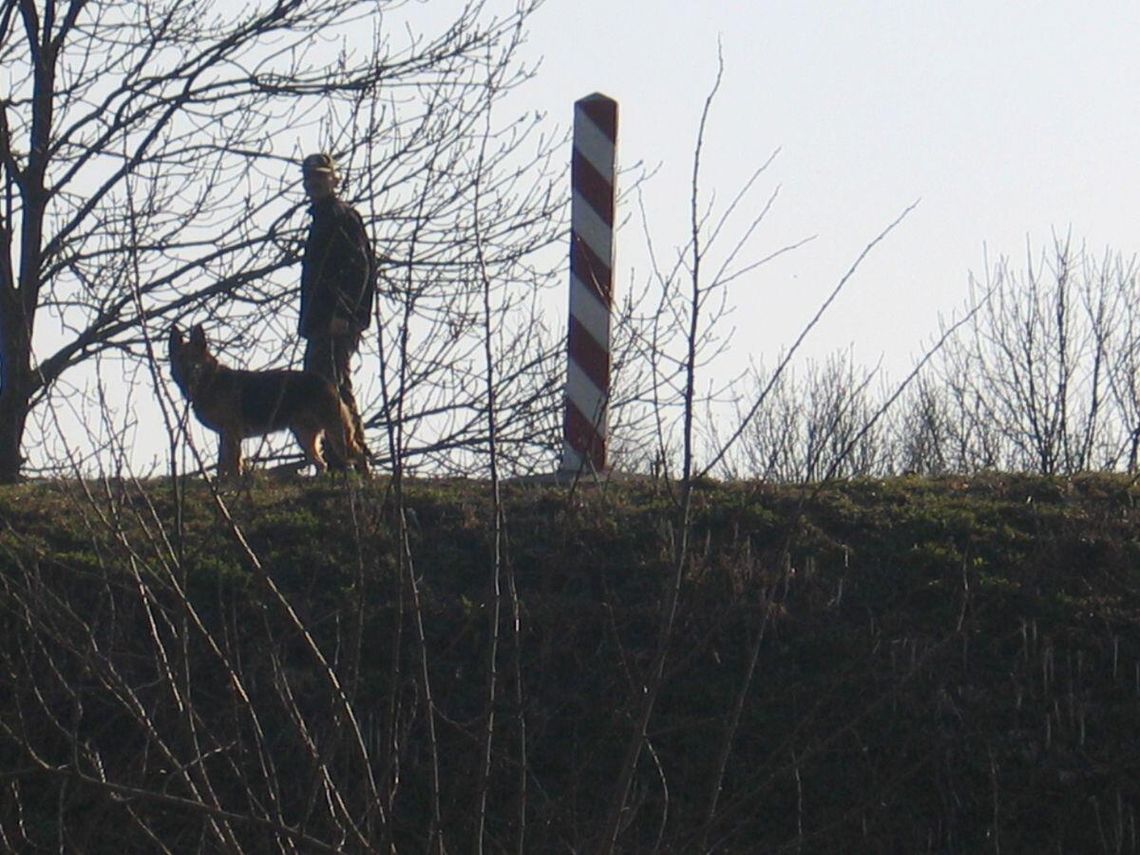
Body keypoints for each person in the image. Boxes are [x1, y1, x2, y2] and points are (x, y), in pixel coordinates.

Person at [298, 152, 376, 465]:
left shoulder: (342, 217)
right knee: (319, 388)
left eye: (320, 176)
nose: (314, 183)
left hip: (336, 322)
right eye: (310, 178)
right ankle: (336, 455)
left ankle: (353, 456)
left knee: (333, 387)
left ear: (334, 179)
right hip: (319, 321)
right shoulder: (321, 219)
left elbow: (360, 269)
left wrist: (344, 315)